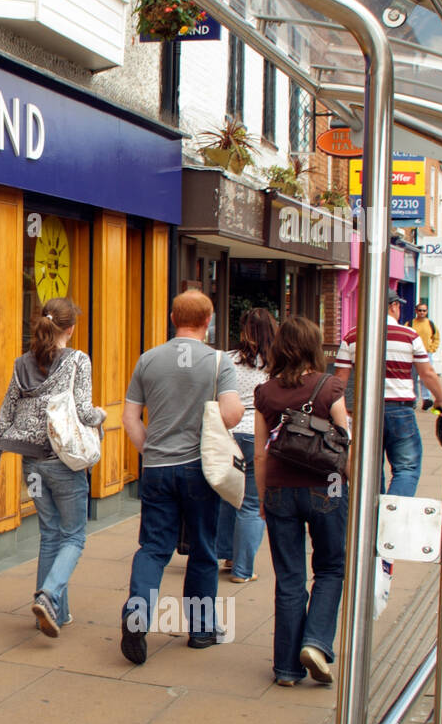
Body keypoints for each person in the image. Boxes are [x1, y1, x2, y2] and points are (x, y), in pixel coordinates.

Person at [119, 290, 243, 664]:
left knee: (153, 548)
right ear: (209, 321)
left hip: (157, 468)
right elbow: (232, 414)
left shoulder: (148, 360)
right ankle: (202, 630)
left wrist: (151, 451)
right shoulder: (220, 362)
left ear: (173, 317)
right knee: (203, 550)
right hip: (199, 470)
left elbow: (129, 418)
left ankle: (137, 616)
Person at [0, 297, 105, 638]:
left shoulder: (22, 364)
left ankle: (52, 614)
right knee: (75, 536)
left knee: (49, 534)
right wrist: (103, 416)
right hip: (64, 464)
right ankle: (49, 596)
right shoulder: (78, 360)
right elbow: (83, 412)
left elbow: (5, 414)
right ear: (70, 328)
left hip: (31, 468)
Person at [254, 316, 351, 686]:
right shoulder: (331, 388)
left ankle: (286, 669)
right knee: (330, 569)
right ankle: (315, 642)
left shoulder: (266, 392)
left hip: (280, 490)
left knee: (289, 578)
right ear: (314, 346)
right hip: (327, 488)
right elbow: (344, 443)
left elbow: (261, 454)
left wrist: (263, 498)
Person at [334, 289, 442, 497]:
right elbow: (427, 373)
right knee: (406, 468)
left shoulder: (351, 336)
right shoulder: (409, 335)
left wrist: (342, 413)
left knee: (369, 470)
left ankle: (372, 517)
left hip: (365, 412)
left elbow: (339, 381)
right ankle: (392, 515)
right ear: (393, 306)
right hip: (400, 411)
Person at [214, 308, 278, 584]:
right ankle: (243, 569)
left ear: (243, 331)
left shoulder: (227, 359)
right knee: (251, 504)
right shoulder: (277, 364)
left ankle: (228, 555)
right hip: (258, 434)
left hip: (228, 433)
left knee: (228, 498)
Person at [410, 301, 440, 411]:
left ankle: (426, 399)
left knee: (425, 378)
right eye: (420, 310)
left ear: (427, 312)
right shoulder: (410, 324)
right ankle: (414, 400)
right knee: (412, 378)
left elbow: (436, 338)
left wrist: (432, 349)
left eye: (424, 310)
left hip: (426, 354)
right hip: (413, 354)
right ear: (416, 311)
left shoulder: (431, 324)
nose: (422, 312)